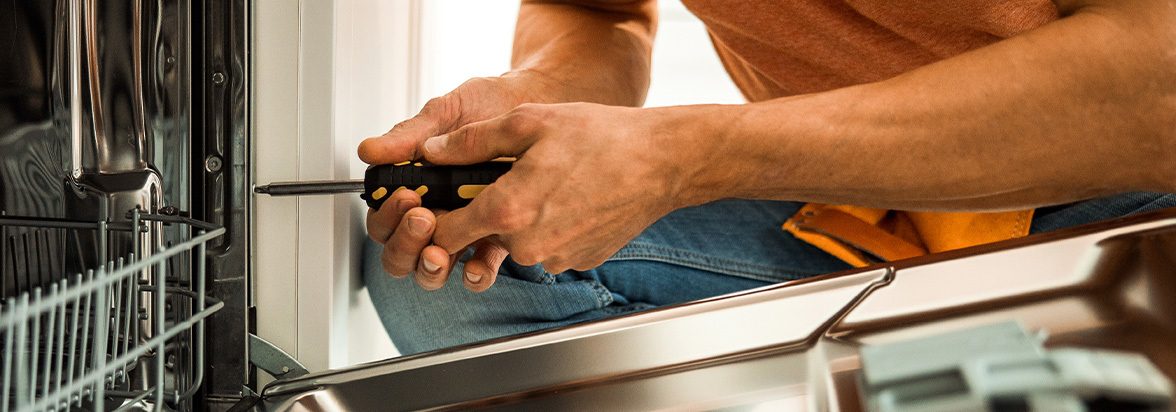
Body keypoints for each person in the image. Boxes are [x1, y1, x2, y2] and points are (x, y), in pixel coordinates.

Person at [357, 0, 1176, 355]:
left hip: (1132, 202)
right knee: (454, 275)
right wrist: (539, 97)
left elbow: (1158, 84)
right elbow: (597, 12)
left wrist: (688, 157)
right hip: (857, 202)